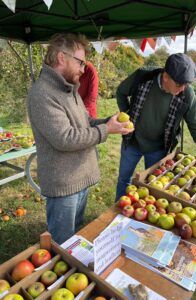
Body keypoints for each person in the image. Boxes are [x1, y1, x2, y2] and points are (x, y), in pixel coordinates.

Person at [27, 33, 133, 245]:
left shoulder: (69, 89)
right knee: (62, 245)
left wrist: (107, 122)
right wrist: (106, 130)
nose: (84, 69)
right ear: (60, 58)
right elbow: (65, 138)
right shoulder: (42, 94)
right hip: (64, 185)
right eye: (80, 62)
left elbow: (85, 122)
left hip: (79, 180)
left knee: (75, 238)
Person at [115, 53, 196, 200]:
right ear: (165, 77)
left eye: (187, 84)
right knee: (124, 179)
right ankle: (116, 211)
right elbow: (121, 92)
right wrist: (126, 115)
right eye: (179, 84)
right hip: (132, 141)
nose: (183, 89)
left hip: (158, 147)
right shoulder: (142, 77)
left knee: (153, 186)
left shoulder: (186, 94)